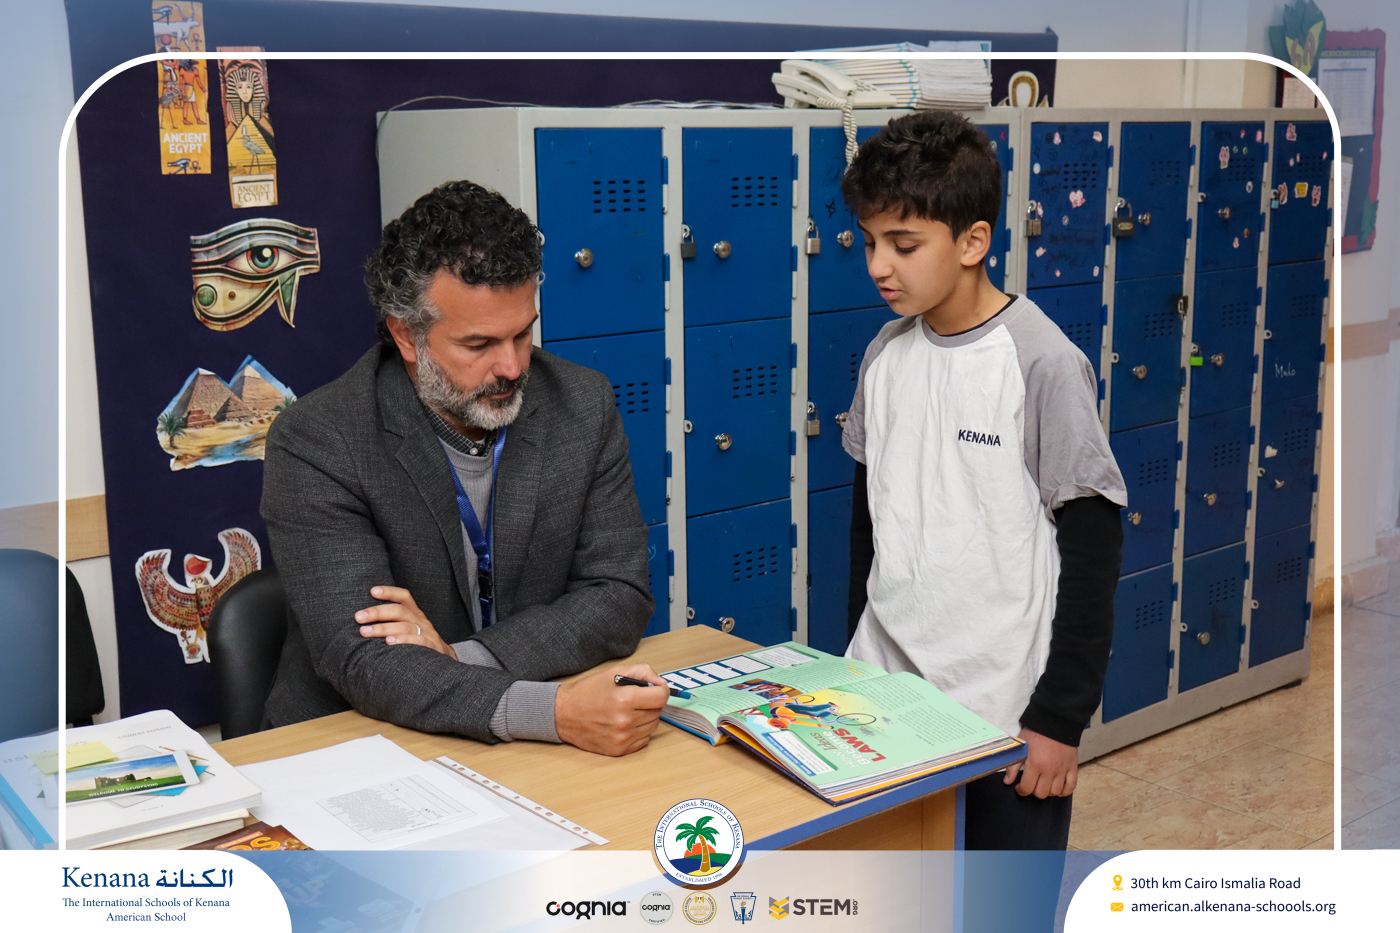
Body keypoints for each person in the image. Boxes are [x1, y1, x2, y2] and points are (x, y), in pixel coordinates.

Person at [260, 180, 669, 757]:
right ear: (406, 335)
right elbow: (364, 658)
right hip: (357, 743)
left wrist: (461, 658)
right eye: (479, 345)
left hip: (518, 738)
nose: (512, 367)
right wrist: (552, 713)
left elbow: (619, 594)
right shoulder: (320, 439)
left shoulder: (582, 404)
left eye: (522, 333)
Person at [838, 112, 1127, 849]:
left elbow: (1094, 552)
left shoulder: (1041, 362)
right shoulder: (884, 354)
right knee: (898, 895)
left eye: (904, 244)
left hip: (1004, 719)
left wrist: (1059, 719)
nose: (879, 266)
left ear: (972, 242)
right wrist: (855, 671)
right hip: (886, 701)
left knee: (1002, 900)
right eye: (870, 242)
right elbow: (869, 528)